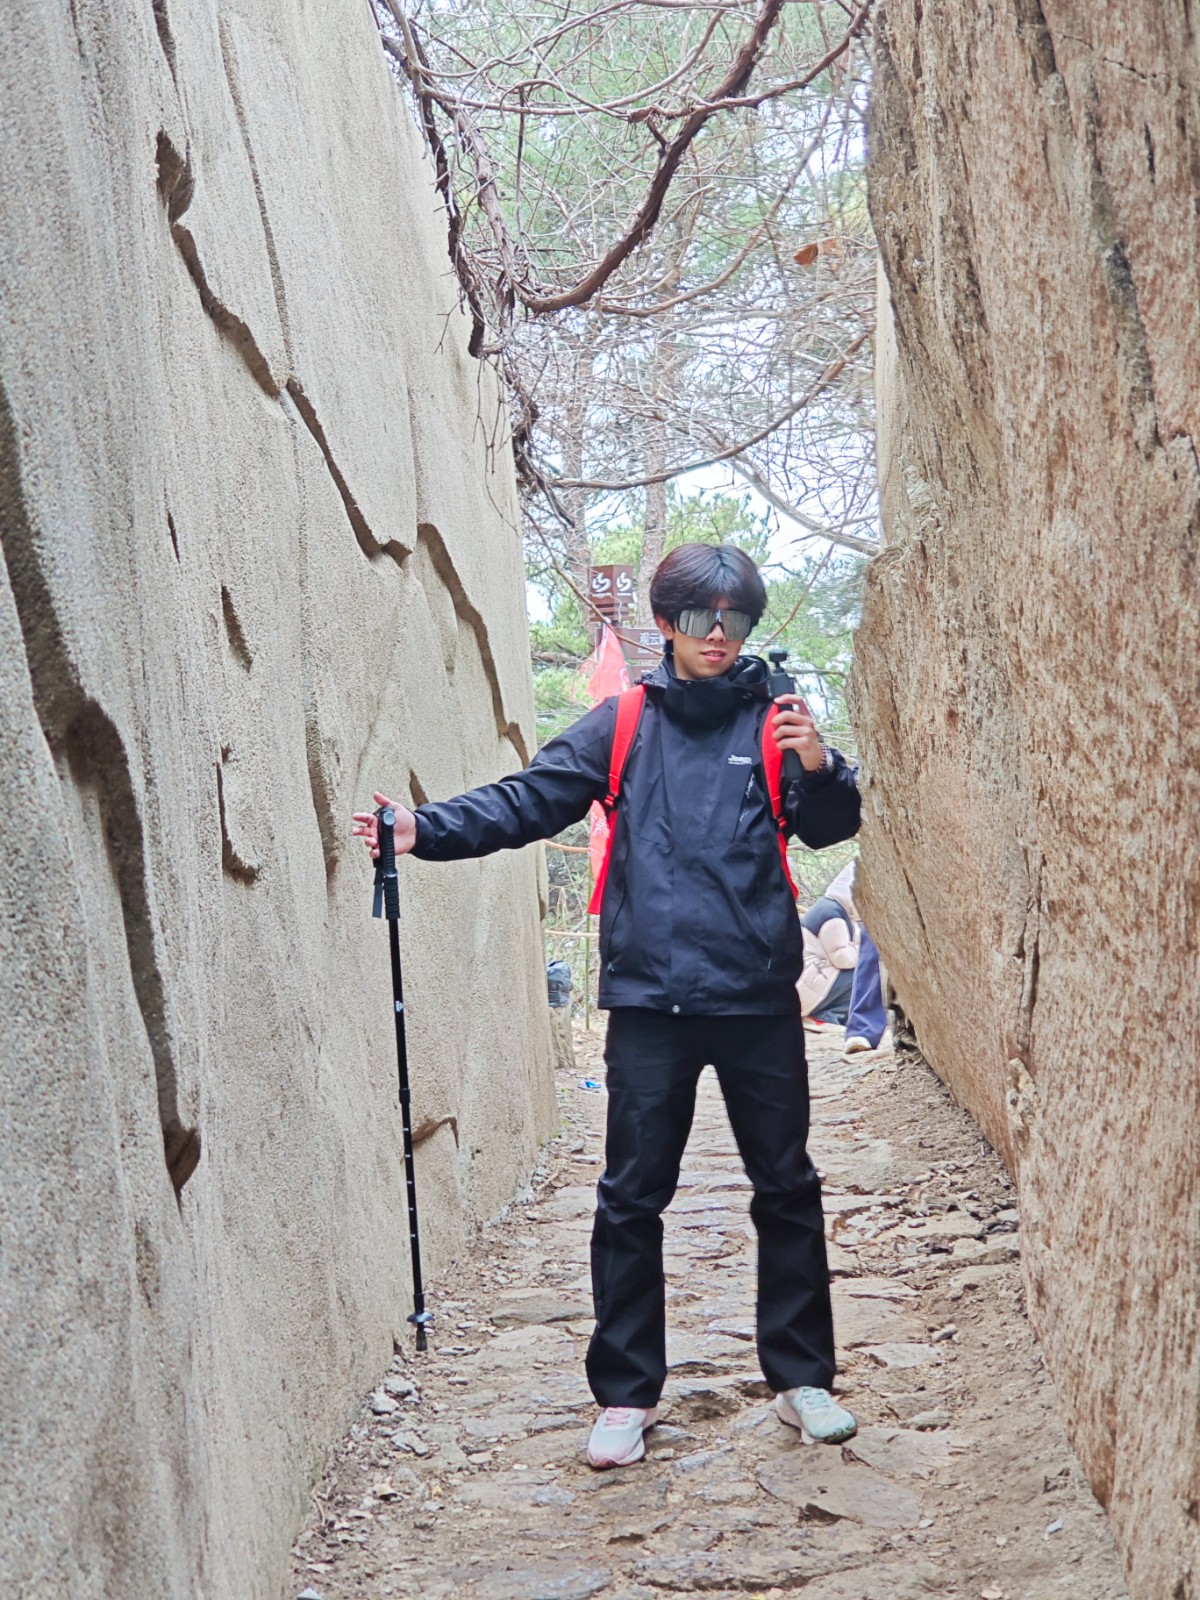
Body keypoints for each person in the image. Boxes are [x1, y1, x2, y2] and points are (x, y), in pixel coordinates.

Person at [352, 543, 862, 1469]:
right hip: (650, 999)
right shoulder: (624, 722)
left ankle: (801, 1378)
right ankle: (626, 1394)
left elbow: (831, 827)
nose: (719, 634)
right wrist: (425, 829)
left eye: (737, 619)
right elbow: (530, 799)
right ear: (665, 623)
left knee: (786, 1185)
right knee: (631, 1197)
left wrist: (822, 767)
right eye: (699, 617)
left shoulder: (777, 720)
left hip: (755, 998)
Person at [798, 862, 859, 1024]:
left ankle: (831, 1013)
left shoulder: (833, 908)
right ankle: (827, 1015)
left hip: (809, 979)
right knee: (866, 975)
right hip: (808, 982)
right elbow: (842, 958)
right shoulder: (833, 916)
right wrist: (862, 950)